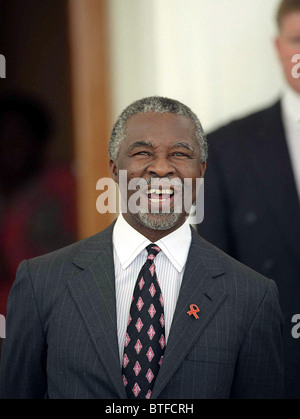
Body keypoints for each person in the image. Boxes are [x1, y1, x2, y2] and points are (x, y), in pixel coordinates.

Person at [0, 97, 283, 399]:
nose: (161, 169)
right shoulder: (40, 282)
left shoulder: (252, 297)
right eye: (142, 152)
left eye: (179, 154)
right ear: (114, 169)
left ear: (201, 172)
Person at [198, 0, 300, 399]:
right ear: (278, 47)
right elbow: (213, 271)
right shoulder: (227, 147)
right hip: (272, 370)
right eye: (297, 40)